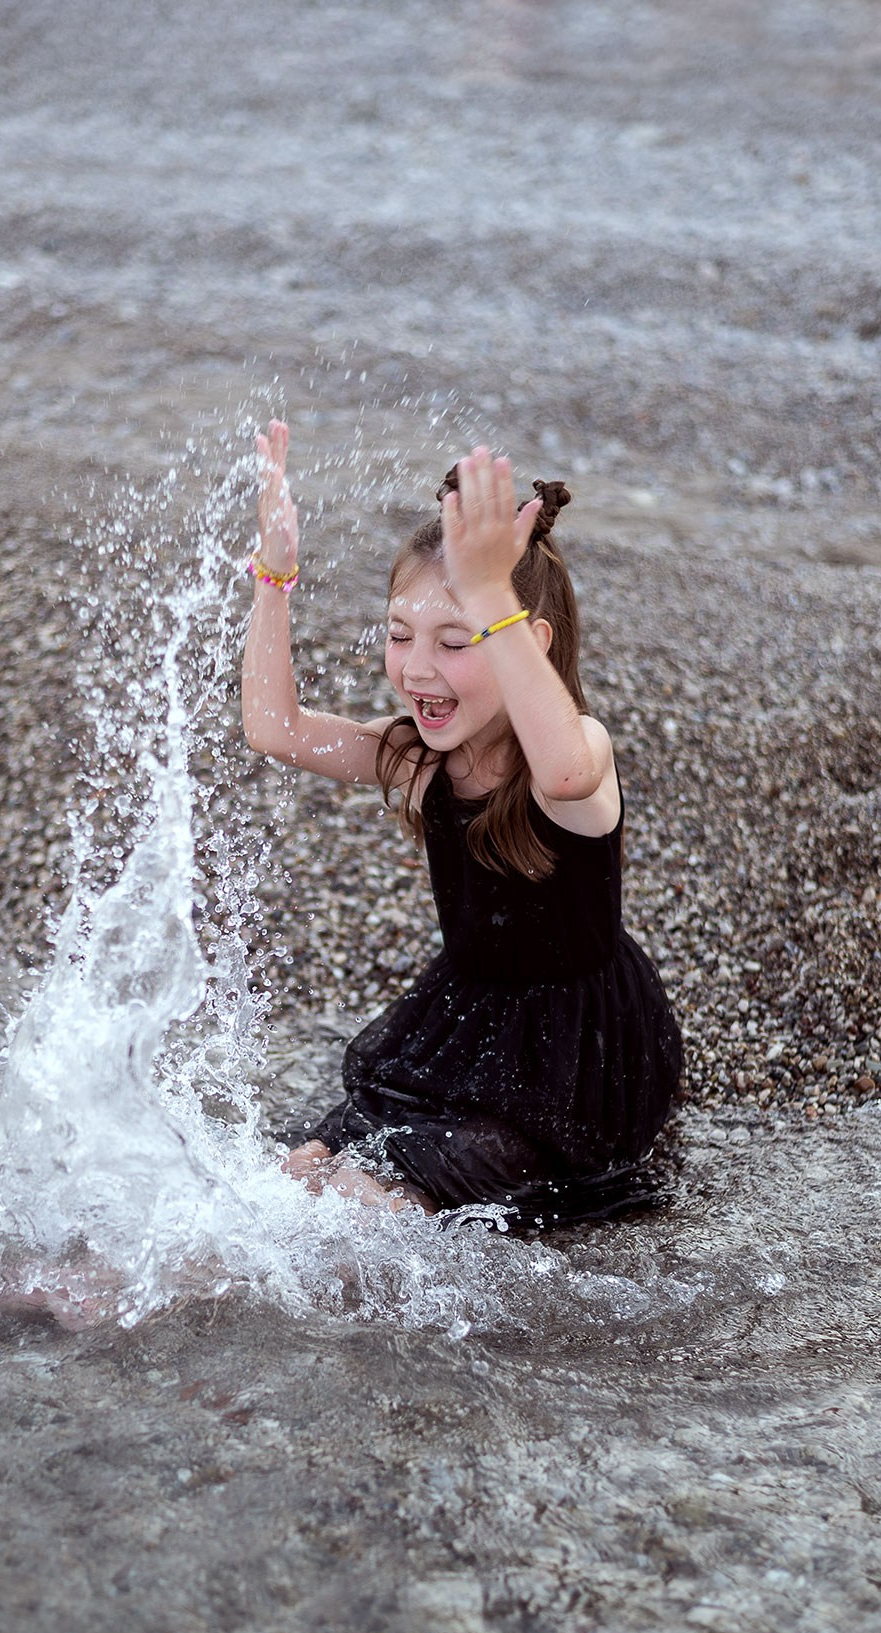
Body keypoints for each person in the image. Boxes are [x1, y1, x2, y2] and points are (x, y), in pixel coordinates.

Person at [242, 419, 683, 1225]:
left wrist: (489, 591)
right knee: (302, 1166)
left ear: (531, 643)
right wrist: (276, 571)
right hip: (461, 1026)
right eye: (401, 634)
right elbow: (275, 727)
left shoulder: (575, 758)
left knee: (373, 1205)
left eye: (456, 642)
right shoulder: (418, 758)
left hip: (575, 1055)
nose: (416, 668)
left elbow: (566, 770)